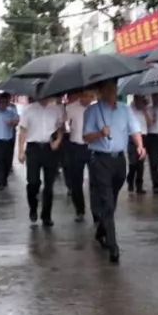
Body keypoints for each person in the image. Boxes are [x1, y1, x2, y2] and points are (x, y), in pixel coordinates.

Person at [84, 80, 145, 263]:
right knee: (107, 202)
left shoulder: (125, 109)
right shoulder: (93, 111)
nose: (112, 92)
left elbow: (134, 129)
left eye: (114, 89)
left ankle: (101, 230)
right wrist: (100, 133)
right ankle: (113, 246)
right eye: (108, 89)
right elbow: (86, 137)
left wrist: (140, 145)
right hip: (100, 159)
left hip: (119, 160)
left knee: (112, 200)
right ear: (101, 92)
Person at [18, 95, 66, 227]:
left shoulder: (56, 109)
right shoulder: (28, 110)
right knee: (33, 182)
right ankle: (33, 207)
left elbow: (61, 128)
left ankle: (46, 215)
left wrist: (58, 140)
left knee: (49, 185)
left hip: (50, 149)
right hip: (33, 148)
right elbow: (22, 131)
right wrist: (21, 151)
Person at [63, 91, 93, 223]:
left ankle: (97, 210)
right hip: (75, 146)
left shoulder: (96, 108)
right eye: (85, 96)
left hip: (93, 147)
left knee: (96, 181)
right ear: (80, 95)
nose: (88, 99)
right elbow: (63, 124)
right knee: (76, 181)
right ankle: (79, 210)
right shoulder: (70, 108)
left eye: (90, 96)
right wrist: (65, 127)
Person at [0, 93, 20, 190]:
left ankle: (4, 177)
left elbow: (17, 120)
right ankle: (0, 181)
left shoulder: (11, 112)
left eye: (6, 102)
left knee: (8, 162)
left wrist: (13, 123)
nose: (4, 104)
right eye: (2, 102)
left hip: (9, 140)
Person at [127, 94, 149, 194]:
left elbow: (150, 123)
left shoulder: (146, 109)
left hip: (143, 136)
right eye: (138, 99)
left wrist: (145, 111)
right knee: (133, 162)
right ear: (135, 98)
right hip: (132, 137)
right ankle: (130, 180)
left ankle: (139, 186)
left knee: (140, 164)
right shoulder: (129, 109)